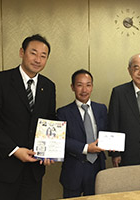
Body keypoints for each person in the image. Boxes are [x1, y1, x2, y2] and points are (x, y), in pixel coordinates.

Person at [0, 34, 56, 200]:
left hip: (34, 169)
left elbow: (49, 121)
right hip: (2, 166)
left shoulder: (48, 86)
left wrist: (49, 150)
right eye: (33, 53)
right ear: (22, 52)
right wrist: (14, 150)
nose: (38, 59)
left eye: (43, 56)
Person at [57, 69, 107, 197]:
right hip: (74, 170)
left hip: (97, 169)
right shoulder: (63, 112)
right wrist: (86, 148)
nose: (84, 90)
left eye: (88, 85)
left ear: (92, 87)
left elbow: (107, 132)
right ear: (72, 87)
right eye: (79, 85)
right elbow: (62, 139)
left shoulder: (101, 109)